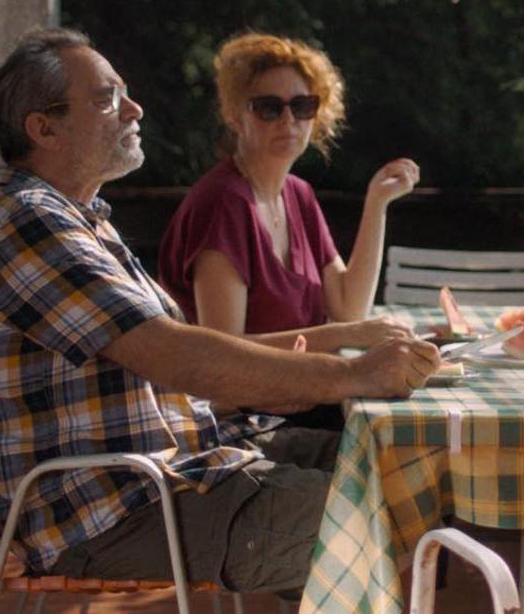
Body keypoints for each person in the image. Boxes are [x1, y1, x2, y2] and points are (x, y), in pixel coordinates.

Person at [0, 27, 440, 597]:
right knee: (368, 517)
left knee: (394, 467)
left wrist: (284, 382)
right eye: (107, 99)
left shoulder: (79, 219)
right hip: (110, 507)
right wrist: (350, 373)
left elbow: (173, 359)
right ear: (44, 129)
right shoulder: (27, 223)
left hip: (179, 464)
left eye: (125, 93)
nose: (134, 108)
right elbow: (177, 356)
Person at [157, 31, 419, 427]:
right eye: (268, 107)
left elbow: (348, 306)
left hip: (299, 402)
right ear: (233, 114)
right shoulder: (223, 204)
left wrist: (376, 204)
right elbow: (222, 354)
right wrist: (343, 335)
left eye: (302, 106)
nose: (288, 120)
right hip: (240, 425)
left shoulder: (298, 194)